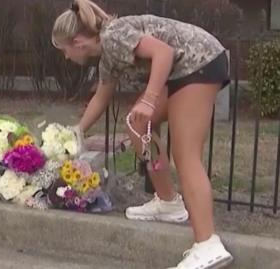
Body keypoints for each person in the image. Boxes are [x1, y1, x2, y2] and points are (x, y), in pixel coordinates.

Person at [52, 1, 233, 268]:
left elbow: (164, 52)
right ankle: (169, 202)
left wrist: (149, 100)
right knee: (138, 125)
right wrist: (77, 130)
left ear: (77, 41)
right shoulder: (108, 56)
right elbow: (101, 97)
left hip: (199, 63)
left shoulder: (114, 35)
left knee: (186, 156)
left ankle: (208, 244)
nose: (65, 57)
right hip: (182, 70)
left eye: (64, 50)